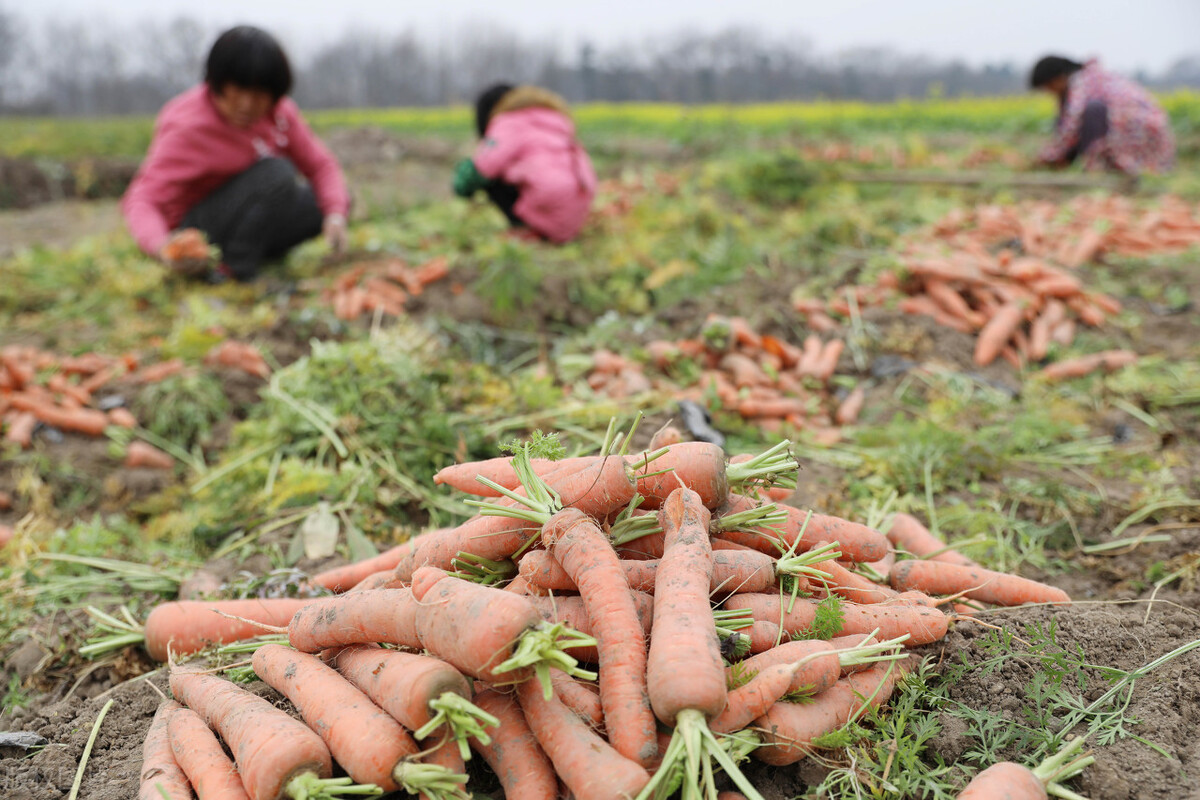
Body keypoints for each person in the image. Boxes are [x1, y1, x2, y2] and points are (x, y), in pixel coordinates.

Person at [122, 26, 350, 282]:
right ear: (216, 84)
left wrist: (335, 215)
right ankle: (232, 271)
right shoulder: (189, 126)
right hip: (198, 229)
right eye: (237, 91)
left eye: (258, 95)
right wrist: (163, 246)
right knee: (276, 174)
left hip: (246, 218)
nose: (246, 105)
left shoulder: (280, 114)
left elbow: (321, 165)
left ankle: (249, 255)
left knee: (328, 201)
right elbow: (142, 200)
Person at [452, 83, 597, 243]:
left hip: (546, 213)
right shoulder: (555, 118)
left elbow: (482, 168)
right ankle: (549, 227)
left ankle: (525, 228)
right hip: (574, 220)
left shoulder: (509, 121)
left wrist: (462, 184)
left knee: (492, 177)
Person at [1029, 55, 1174, 177]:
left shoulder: (1080, 84)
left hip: (1142, 137)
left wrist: (1046, 158)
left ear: (1057, 79)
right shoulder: (1087, 79)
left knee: (1093, 111)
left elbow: (1070, 129)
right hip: (1144, 138)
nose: (1050, 92)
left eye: (1048, 87)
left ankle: (1095, 169)